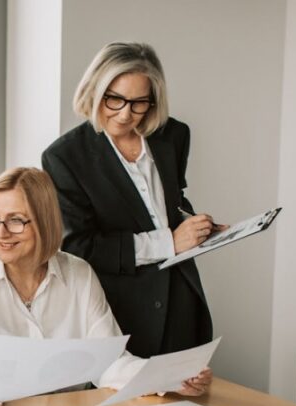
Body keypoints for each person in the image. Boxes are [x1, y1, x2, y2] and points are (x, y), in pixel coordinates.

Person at [0, 167, 211, 406]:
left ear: (45, 222)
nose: (0, 233)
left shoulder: (79, 274)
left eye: (15, 220)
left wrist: (169, 377)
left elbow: (111, 361)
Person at [42, 42, 225, 361]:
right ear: (94, 90)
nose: (125, 114)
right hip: (121, 308)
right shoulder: (65, 157)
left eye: (139, 103)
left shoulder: (174, 135)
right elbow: (79, 247)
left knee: (189, 402)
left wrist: (194, 227)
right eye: (114, 99)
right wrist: (169, 242)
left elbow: (169, 203)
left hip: (181, 297)